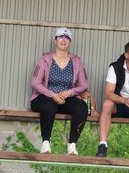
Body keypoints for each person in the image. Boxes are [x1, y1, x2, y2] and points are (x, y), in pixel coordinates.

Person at [30, 27, 89, 155]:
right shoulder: (45, 59)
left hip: (66, 98)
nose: (63, 40)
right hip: (45, 97)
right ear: (55, 40)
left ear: (70, 42)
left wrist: (70, 93)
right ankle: (46, 143)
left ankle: (72, 145)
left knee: (82, 107)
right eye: (61, 37)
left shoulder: (76, 61)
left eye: (67, 37)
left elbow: (84, 85)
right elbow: (35, 82)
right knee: (49, 105)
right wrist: (52, 95)